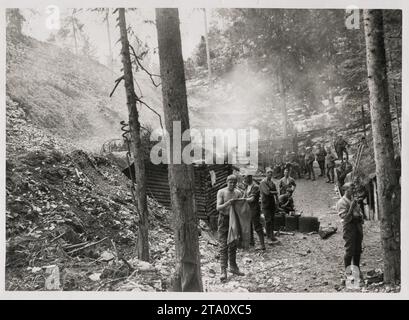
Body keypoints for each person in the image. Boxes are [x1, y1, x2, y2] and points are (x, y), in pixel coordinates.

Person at [216, 175, 245, 282]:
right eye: (230, 182)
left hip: (234, 221)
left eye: (234, 182)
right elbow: (218, 207)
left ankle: (233, 267)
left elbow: (242, 206)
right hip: (223, 220)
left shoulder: (238, 193)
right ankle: (223, 270)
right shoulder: (221, 192)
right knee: (223, 245)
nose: (232, 184)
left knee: (233, 244)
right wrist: (228, 203)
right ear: (226, 182)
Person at [336, 182, 364, 278]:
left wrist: (360, 216)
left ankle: (357, 270)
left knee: (358, 250)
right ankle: (348, 273)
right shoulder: (341, 202)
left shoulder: (353, 200)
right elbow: (345, 218)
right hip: (349, 228)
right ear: (346, 190)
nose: (353, 191)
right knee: (349, 251)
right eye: (352, 189)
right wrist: (351, 208)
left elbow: (359, 213)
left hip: (357, 227)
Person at [243, 174, 265, 251]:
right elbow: (244, 196)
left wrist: (243, 200)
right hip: (248, 209)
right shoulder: (246, 186)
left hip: (254, 209)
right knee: (249, 225)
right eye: (244, 177)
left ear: (250, 178)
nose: (244, 179)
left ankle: (262, 245)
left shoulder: (255, 187)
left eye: (246, 178)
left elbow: (252, 199)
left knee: (257, 226)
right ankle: (251, 242)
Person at [259, 168, 280, 244]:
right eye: (268, 172)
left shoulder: (272, 183)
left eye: (271, 173)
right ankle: (268, 237)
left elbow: (276, 194)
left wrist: (277, 201)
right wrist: (275, 192)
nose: (270, 174)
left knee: (272, 219)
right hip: (265, 204)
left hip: (272, 203)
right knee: (268, 220)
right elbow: (267, 192)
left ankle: (272, 235)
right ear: (265, 173)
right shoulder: (263, 182)